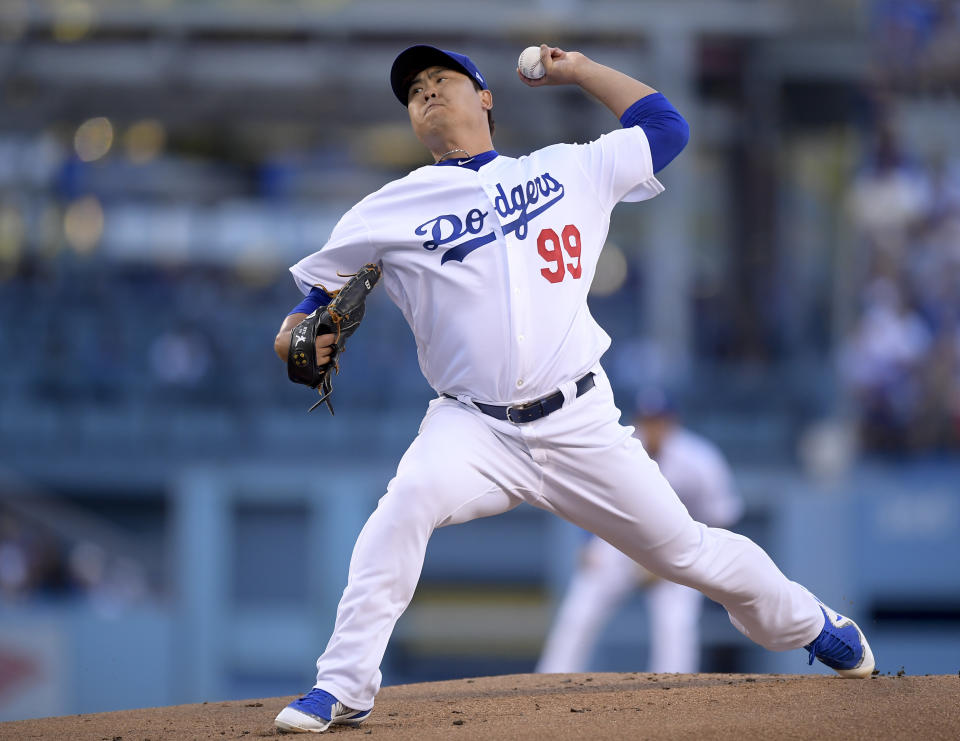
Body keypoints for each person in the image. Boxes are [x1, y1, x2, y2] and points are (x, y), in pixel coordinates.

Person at [272, 43, 875, 734]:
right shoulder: (388, 207)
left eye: (443, 79)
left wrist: (580, 70)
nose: (428, 92)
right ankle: (343, 685)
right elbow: (307, 308)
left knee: (686, 551)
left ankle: (812, 621)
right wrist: (296, 337)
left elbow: (667, 129)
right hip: (472, 428)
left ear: (486, 97)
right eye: (414, 91)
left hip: (579, 417)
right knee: (402, 505)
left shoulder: (565, 168)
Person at [536, 390, 743, 674]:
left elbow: (720, 515)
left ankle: (674, 688)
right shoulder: (619, 450)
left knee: (677, 624)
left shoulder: (700, 459)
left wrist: (693, 559)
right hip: (621, 542)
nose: (653, 427)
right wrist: (588, 541)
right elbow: (591, 497)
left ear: (673, 422)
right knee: (579, 610)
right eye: (647, 420)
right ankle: (551, 678)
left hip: (678, 544)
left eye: (659, 420)